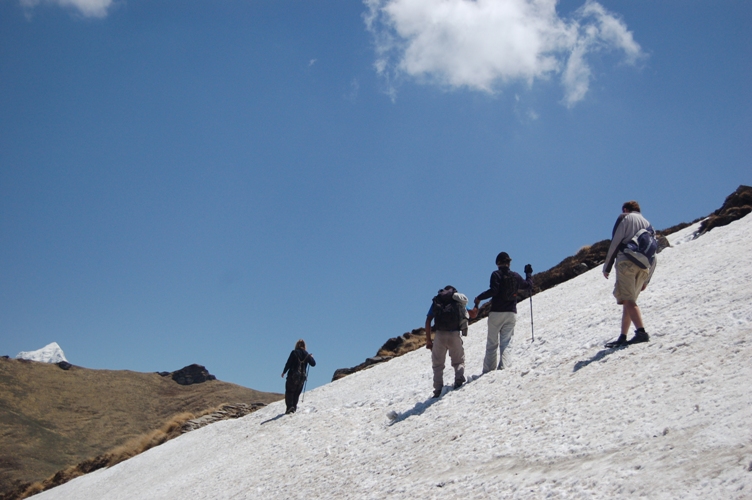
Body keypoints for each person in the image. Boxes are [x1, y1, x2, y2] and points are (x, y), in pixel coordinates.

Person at [603, 200, 657, 346]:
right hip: (644, 266)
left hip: (626, 263)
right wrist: (647, 279)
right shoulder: (648, 224)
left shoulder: (624, 218)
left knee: (628, 300)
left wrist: (607, 267)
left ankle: (641, 332)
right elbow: (653, 252)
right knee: (630, 300)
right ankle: (623, 336)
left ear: (626, 209)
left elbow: (616, 242)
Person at [473, 252, 533, 374]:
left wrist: (479, 297)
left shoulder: (496, 274)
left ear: (497, 263)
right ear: (509, 263)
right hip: (511, 313)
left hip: (496, 312)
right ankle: (504, 367)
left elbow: (493, 291)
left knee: (492, 343)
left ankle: (489, 370)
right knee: (506, 342)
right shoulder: (515, 276)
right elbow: (528, 285)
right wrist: (528, 273)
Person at [425, 286, 470, 398]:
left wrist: (429, 340)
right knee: (458, 360)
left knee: (437, 364)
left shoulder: (438, 301)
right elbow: (471, 314)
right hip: (454, 334)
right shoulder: (457, 300)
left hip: (440, 335)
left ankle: (438, 389)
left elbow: (428, 320)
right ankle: (459, 378)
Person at [281, 339, 316, 414]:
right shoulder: (307, 354)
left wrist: (284, 371)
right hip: (302, 378)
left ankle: (289, 407)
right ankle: (294, 407)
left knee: (289, 391)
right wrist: (311, 357)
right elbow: (313, 364)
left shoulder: (294, 352)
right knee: (297, 393)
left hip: (292, 376)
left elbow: (288, 363)